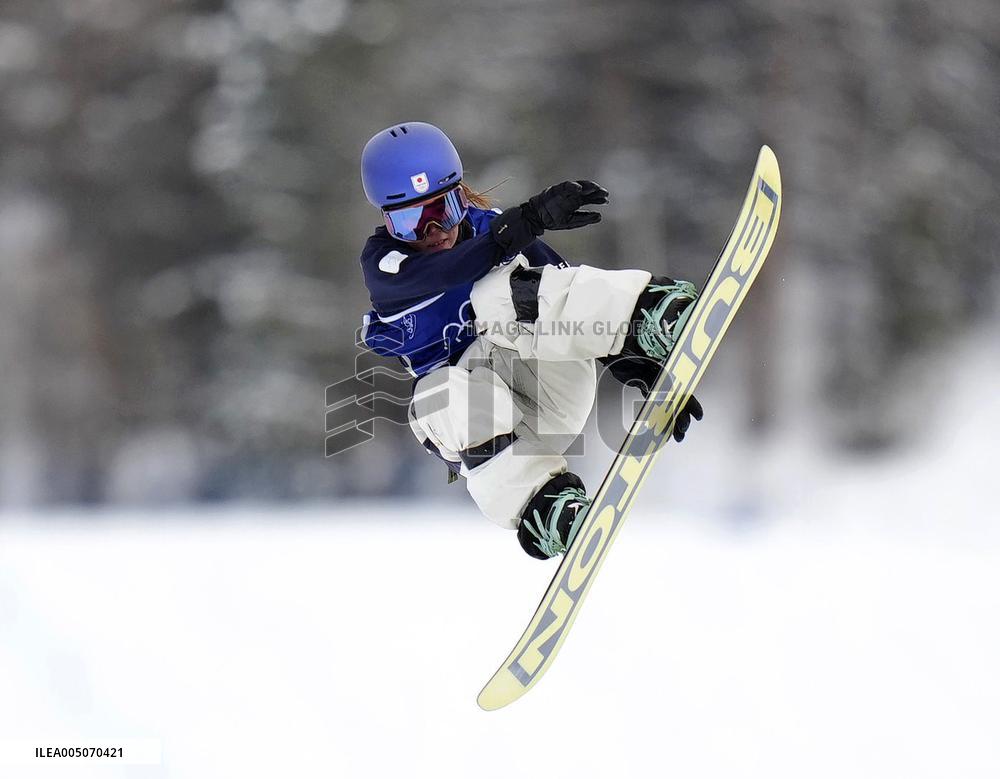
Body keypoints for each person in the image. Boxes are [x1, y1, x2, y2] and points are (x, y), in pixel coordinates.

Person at [358, 121, 702, 560]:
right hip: (490, 435)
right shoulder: (386, 266)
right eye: (411, 223)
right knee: (434, 394)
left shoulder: (497, 234)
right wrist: (526, 221)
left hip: (553, 392)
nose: (433, 232)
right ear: (387, 222)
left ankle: (648, 314)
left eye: (441, 210)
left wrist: (637, 362)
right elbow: (449, 271)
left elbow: (564, 301)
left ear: (461, 195)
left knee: (500, 293)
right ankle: (543, 506)